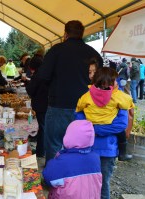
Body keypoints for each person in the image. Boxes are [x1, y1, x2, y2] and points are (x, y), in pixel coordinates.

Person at [36, 20, 103, 162]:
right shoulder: (93, 53)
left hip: (58, 104)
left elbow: (43, 76)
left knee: (55, 145)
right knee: (81, 146)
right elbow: (100, 81)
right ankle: (75, 180)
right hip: (85, 107)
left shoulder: (56, 50)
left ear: (65, 33)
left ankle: (54, 181)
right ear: (82, 33)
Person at [76, 67, 134, 161]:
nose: (117, 82)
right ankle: (122, 154)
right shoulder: (118, 96)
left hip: (89, 136)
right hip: (108, 142)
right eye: (115, 80)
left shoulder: (87, 95)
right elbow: (123, 122)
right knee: (121, 134)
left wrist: (92, 128)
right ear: (107, 83)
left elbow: (79, 109)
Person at [43, 120, 102, 199]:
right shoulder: (95, 157)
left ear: (68, 137)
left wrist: (54, 160)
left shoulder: (63, 161)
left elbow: (48, 178)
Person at [25, 56, 48, 157]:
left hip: (40, 105)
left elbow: (30, 91)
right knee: (44, 127)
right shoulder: (46, 73)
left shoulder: (37, 75)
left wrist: (27, 82)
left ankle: (40, 152)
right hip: (47, 104)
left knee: (42, 128)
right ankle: (43, 150)